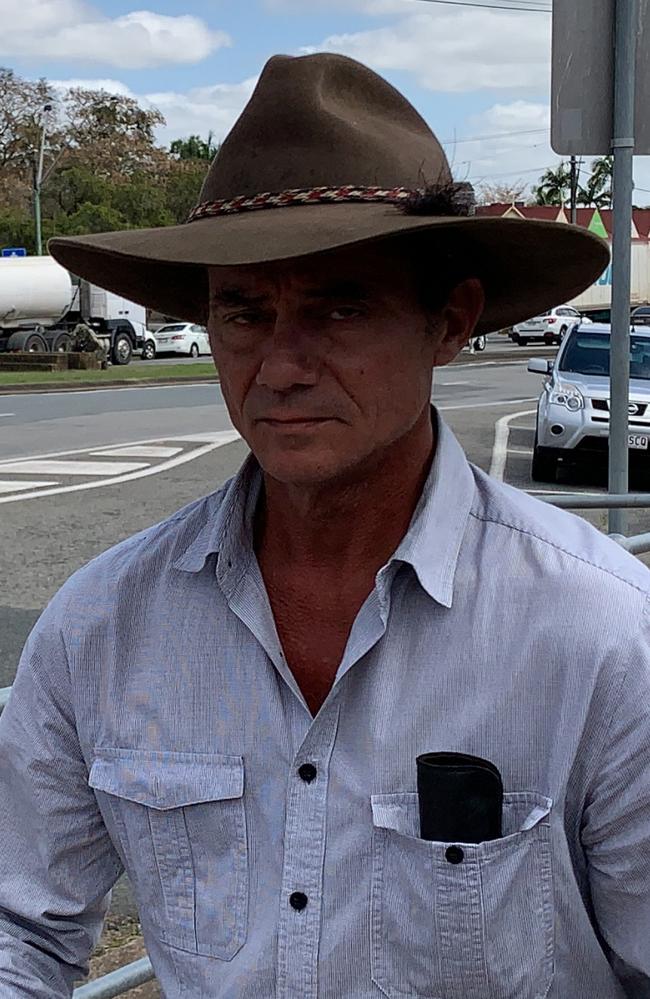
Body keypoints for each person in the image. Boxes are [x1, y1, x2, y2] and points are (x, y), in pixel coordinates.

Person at [0, 52, 647, 999]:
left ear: (449, 321)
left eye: (341, 306)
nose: (283, 365)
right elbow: (21, 924)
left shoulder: (599, 638)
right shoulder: (101, 628)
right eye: (245, 313)